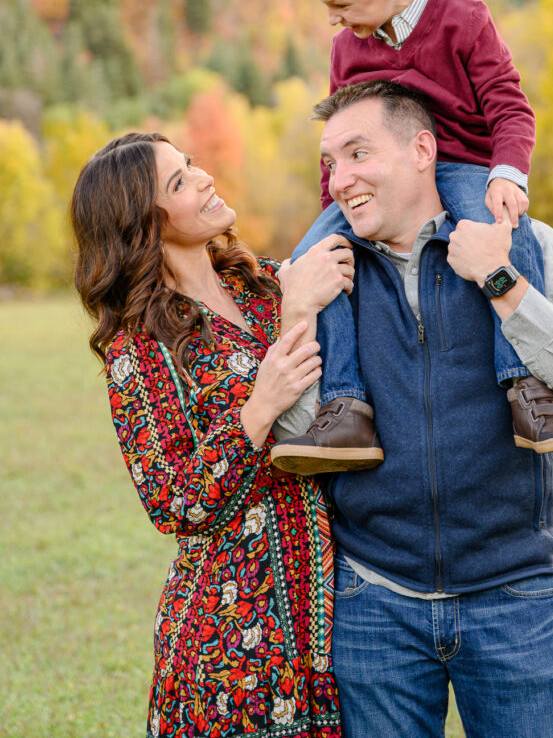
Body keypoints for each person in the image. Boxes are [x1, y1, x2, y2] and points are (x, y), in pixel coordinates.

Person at [272, 81, 553, 738]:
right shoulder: (321, 274)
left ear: (422, 149)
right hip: (374, 601)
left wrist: (500, 280)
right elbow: (295, 436)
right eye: (330, 163)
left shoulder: (526, 245)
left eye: (357, 154)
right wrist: (297, 311)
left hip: (516, 596)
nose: (339, 181)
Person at [273, 0, 553, 475]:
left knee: (499, 233)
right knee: (315, 257)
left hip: (465, 165)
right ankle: (346, 405)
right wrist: (335, 206)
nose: (334, 22)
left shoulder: (463, 20)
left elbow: (509, 106)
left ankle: (527, 389)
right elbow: (341, 132)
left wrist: (507, 174)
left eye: (341, 6)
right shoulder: (348, 49)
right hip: (385, 175)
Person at [70, 131, 352, 738]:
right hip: (233, 637)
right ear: (145, 224)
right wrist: (258, 410)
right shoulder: (138, 346)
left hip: (329, 606)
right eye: (179, 182)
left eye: (191, 165)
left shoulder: (265, 286)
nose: (203, 178)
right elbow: (172, 503)